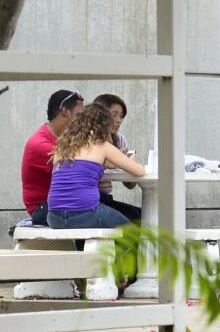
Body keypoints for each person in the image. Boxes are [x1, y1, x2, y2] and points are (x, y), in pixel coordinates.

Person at [46, 103, 145, 230]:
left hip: (54, 217)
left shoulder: (64, 146)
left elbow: (107, 163)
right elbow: (139, 171)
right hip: (85, 213)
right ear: (104, 125)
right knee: (130, 232)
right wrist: (132, 159)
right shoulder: (101, 145)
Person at [20, 89, 83, 225]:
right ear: (65, 111)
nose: (84, 121)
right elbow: (81, 167)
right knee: (124, 221)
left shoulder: (64, 139)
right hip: (44, 209)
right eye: (80, 115)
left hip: (66, 201)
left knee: (135, 214)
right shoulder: (40, 144)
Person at [91, 93, 142, 223]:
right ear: (100, 115)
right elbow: (112, 164)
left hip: (104, 198)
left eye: (121, 116)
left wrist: (129, 165)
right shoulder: (90, 139)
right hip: (90, 199)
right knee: (133, 217)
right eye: (114, 115)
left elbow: (130, 184)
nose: (118, 120)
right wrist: (130, 163)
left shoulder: (119, 140)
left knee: (140, 214)